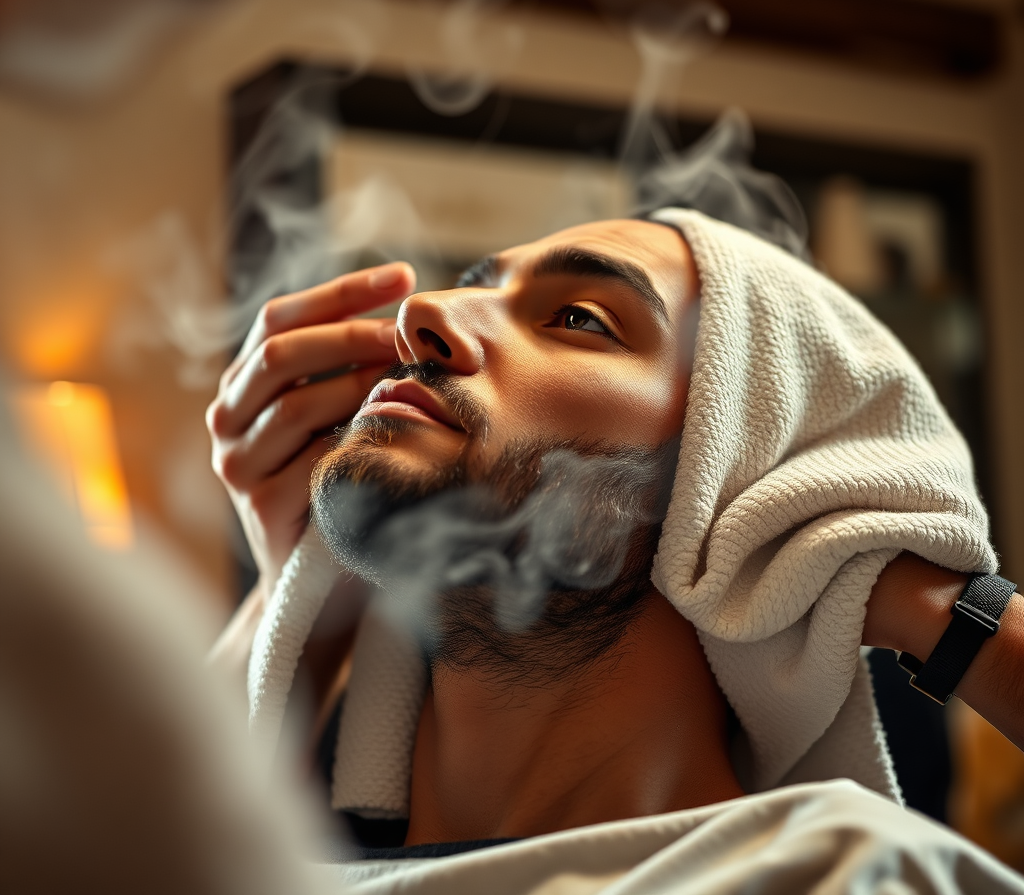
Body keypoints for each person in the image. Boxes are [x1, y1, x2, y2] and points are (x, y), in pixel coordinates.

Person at [208, 201, 1024, 890]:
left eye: (578, 319)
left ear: (738, 485)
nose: (423, 312)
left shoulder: (847, 870)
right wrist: (287, 596)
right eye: (476, 285)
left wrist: (949, 613)